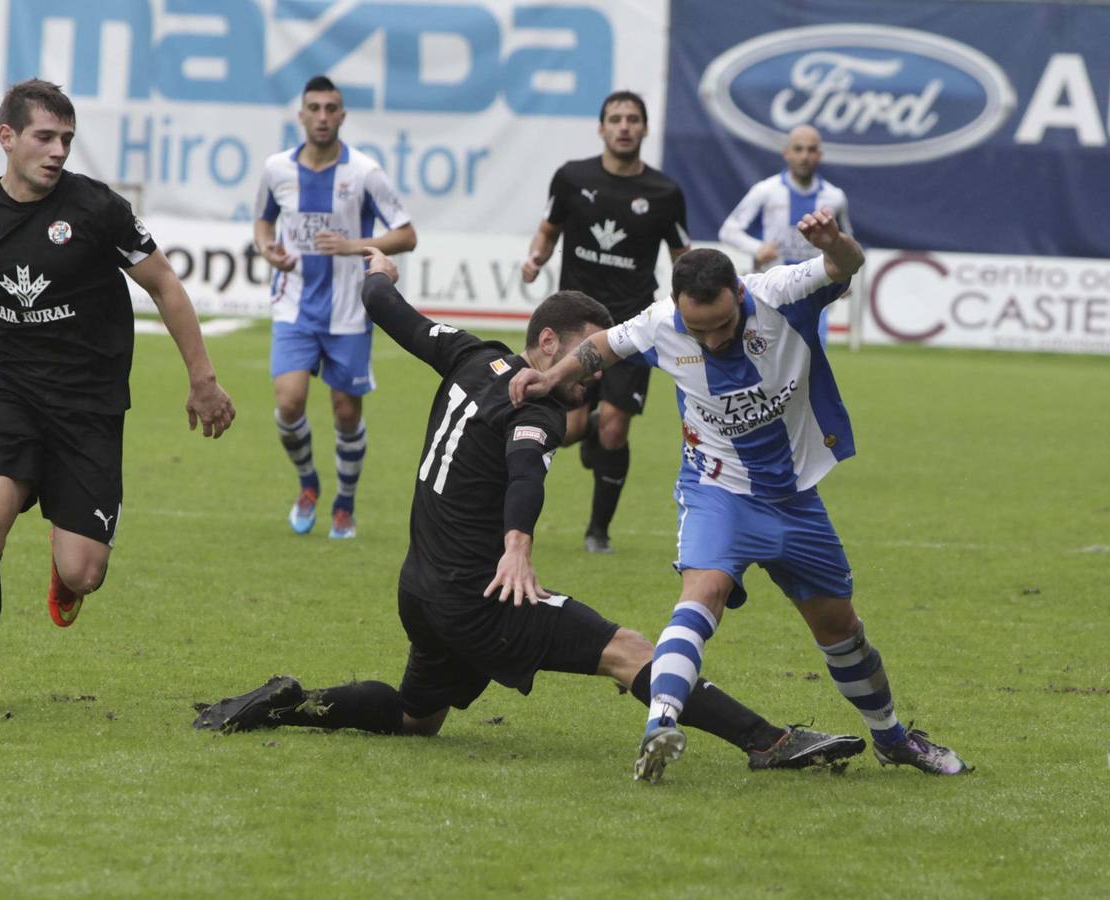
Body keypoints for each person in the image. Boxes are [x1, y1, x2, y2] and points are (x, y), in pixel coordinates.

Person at [193, 248, 865, 781]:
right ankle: (767, 741)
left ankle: (293, 703)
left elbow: (383, 304)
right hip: (482, 596)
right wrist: (517, 546)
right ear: (548, 341)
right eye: (582, 353)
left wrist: (379, 270)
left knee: (414, 718)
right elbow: (524, 467)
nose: (591, 371)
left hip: (420, 590)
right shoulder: (537, 409)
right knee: (629, 651)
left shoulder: (465, 352)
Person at [510, 211, 973, 780]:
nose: (711, 338)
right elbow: (602, 347)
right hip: (716, 489)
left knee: (841, 631)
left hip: (795, 498)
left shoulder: (780, 293)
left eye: (723, 324)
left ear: (738, 293)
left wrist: (836, 243)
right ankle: (660, 723)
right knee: (701, 593)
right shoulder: (662, 322)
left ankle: (893, 739)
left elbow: (846, 266)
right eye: (698, 328)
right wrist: (551, 378)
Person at [0, 79, 236, 714]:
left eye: (67, 139)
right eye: (45, 137)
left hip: (90, 410)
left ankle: (63, 561)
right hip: (12, 397)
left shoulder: (98, 209)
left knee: (83, 574)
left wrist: (202, 379)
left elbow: (166, 287)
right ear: (7, 137)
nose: (58, 150)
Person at [520, 90, 690, 554]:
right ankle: (588, 426)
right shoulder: (572, 178)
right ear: (601, 127)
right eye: (615, 118)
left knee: (615, 428)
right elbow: (548, 229)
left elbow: (681, 256)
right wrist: (537, 257)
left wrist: (691, 299)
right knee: (571, 429)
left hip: (632, 327)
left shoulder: (664, 193)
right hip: (576, 326)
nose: (624, 126)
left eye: (633, 119)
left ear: (644, 128)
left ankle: (598, 531)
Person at [254, 75, 417, 539]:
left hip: (349, 312)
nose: (323, 117)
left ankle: (344, 503)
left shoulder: (364, 172)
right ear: (301, 114)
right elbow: (263, 224)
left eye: (331, 109)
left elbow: (406, 234)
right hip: (294, 308)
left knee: (346, 412)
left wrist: (353, 246)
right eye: (315, 108)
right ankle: (308, 484)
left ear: (342, 116)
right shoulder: (276, 169)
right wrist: (269, 250)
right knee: (289, 404)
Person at [718, 125, 853, 345]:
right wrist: (757, 248)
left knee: (812, 367)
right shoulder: (766, 191)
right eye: (798, 149)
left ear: (819, 155)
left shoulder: (835, 197)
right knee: (767, 366)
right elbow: (729, 230)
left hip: (815, 293)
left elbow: (846, 240)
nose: (804, 156)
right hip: (771, 294)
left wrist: (845, 274)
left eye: (811, 150)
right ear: (787, 153)